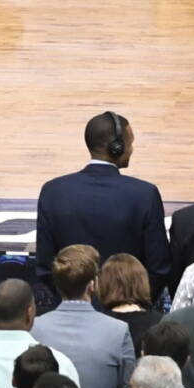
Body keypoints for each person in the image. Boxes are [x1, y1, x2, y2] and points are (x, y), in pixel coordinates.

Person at [35, 113, 170, 283]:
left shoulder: (52, 191)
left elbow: (45, 267)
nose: (132, 149)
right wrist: (136, 303)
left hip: (71, 305)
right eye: (130, 143)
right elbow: (159, 268)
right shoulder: (145, 194)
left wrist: (69, 301)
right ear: (116, 147)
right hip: (128, 305)